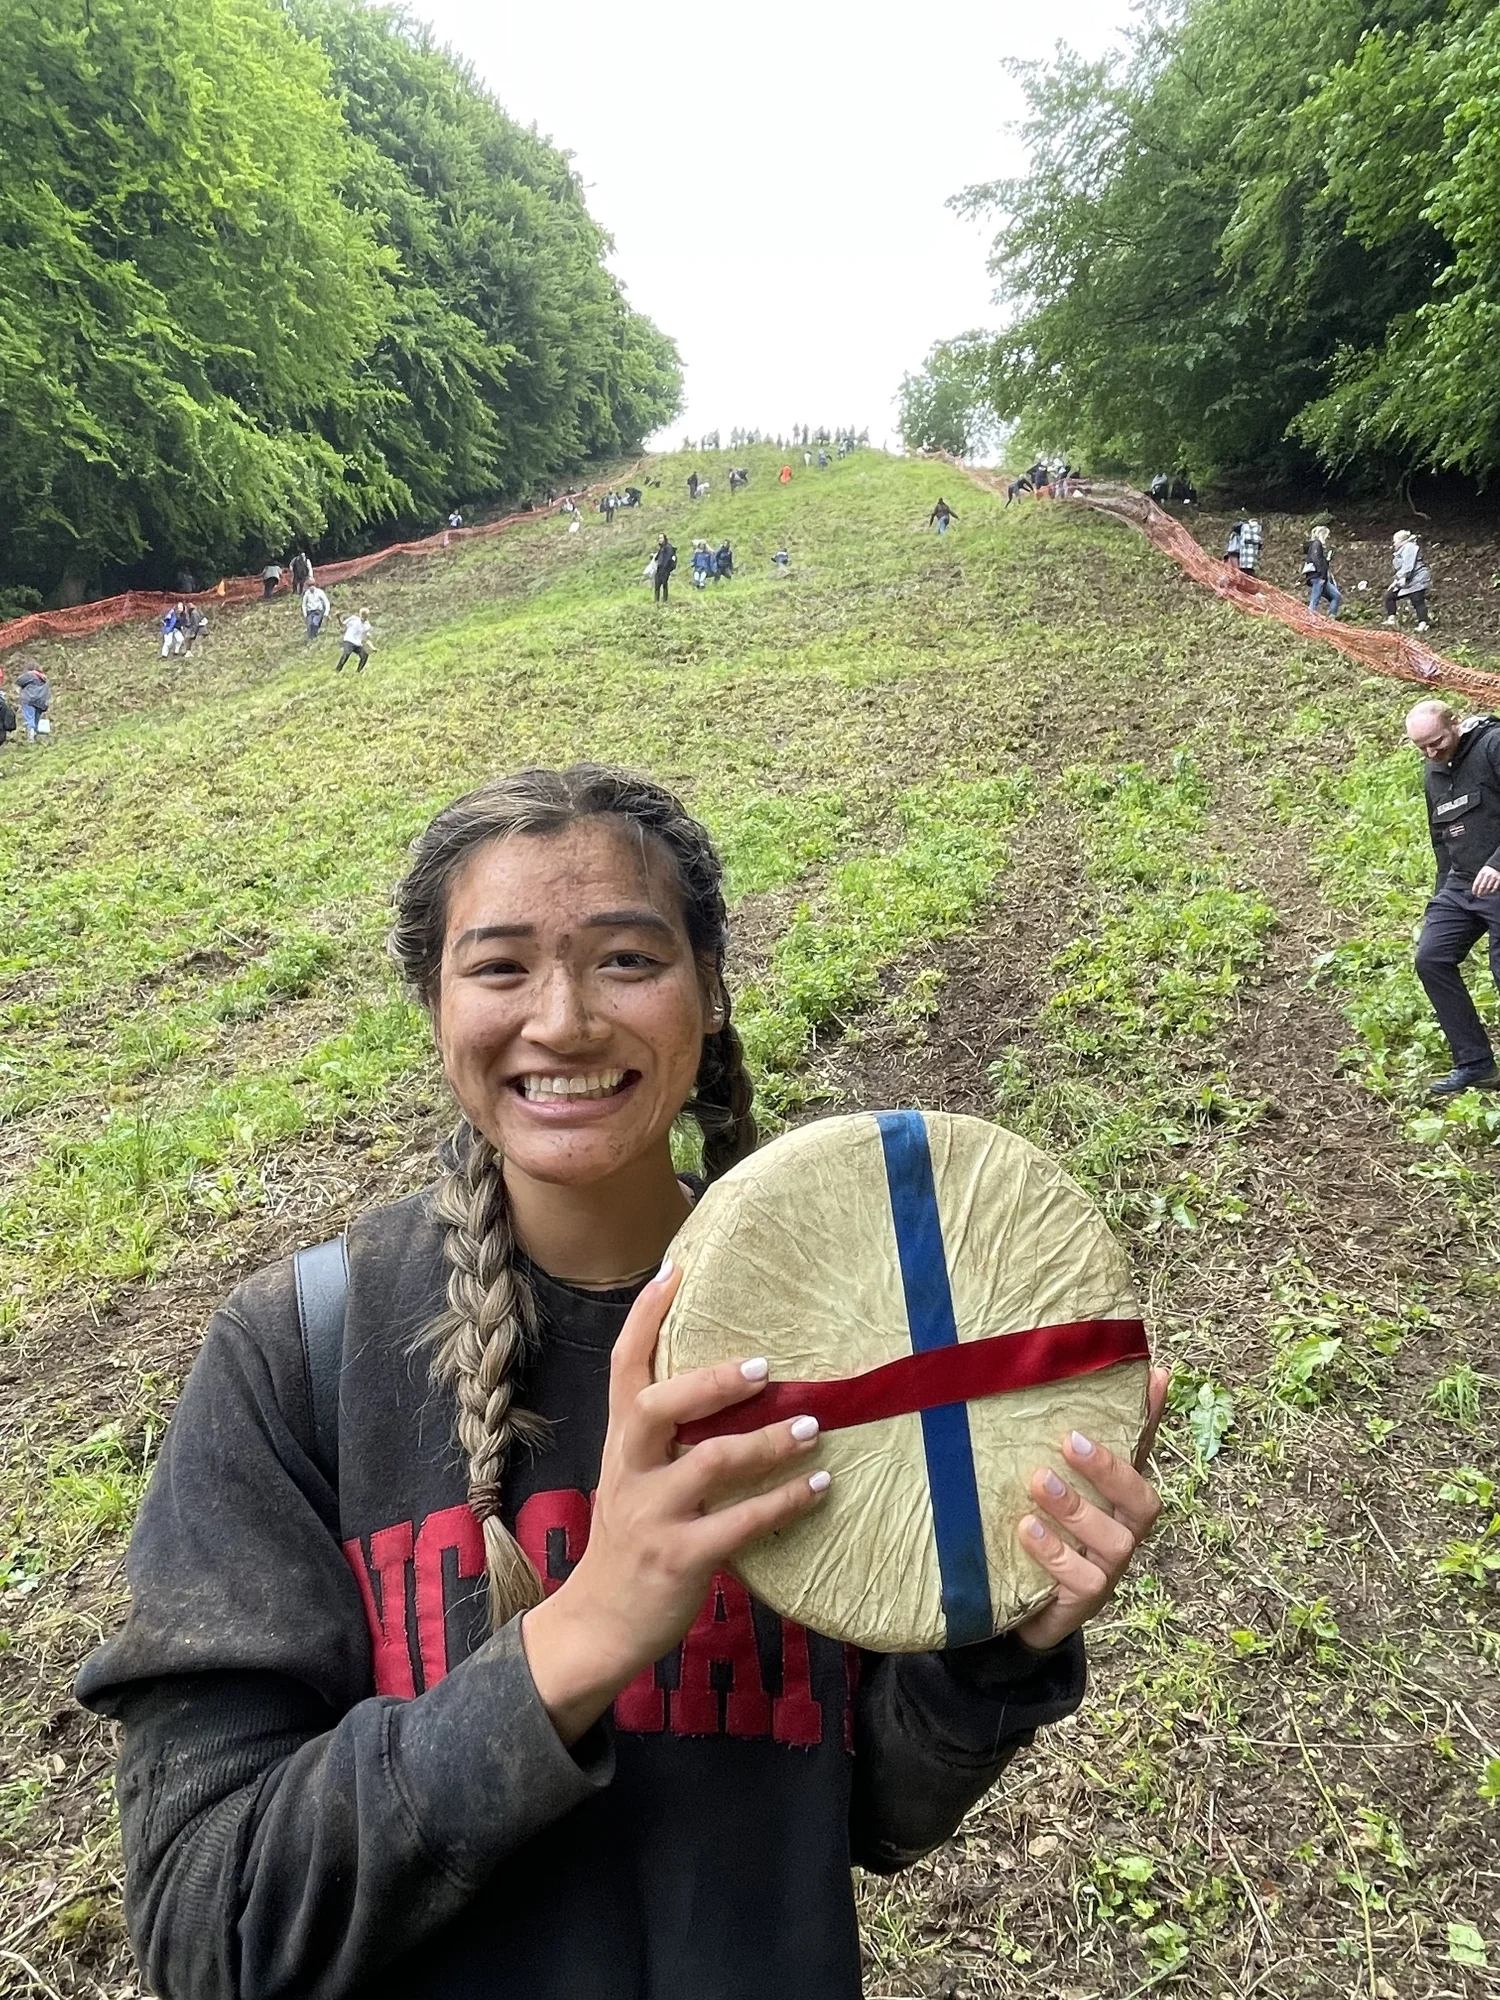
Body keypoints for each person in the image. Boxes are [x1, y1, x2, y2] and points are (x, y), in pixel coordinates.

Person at [75, 764, 1167, 2000]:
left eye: (627, 960)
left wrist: (994, 1648)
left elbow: (871, 1816)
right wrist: (582, 1633)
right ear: (433, 1006)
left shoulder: (854, 1340)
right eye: (498, 967)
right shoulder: (296, 1354)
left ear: (708, 993)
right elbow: (207, 1928)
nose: (564, 1019)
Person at [1407, 701, 1500, 1094]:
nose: (1432, 753)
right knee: (1431, 958)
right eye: (1422, 747)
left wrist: (1498, 863)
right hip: (1462, 885)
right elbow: (1441, 840)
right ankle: (1476, 1063)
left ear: (1455, 724)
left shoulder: (1492, 745)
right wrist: (1441, 893)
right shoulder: (1433, 772)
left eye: (1437, 742)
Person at [1385, 531, 1431, 632]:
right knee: (1389, 596)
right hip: (1406, 579)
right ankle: (1391, 619)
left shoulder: (1409, 547)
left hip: (1417, 578)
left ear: (1401, 540)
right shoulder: (1402, 549)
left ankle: (1423, 624)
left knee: (1417, 600)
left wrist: (1403, 578)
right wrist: (1396, 581)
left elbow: (1408, 564)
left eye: (1395, 541)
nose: (1393, 543)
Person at [1303, 526, 1341, 618]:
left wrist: (1327, 559)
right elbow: (1316, 560)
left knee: (1336, 596)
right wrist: (1322, 576)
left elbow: (1321, 562)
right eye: (1326, 535)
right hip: (1317, 576)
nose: (1328, 538)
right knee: (1315, 598)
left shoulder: (1318, 546)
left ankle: (1332, 617)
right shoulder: (1316, 544)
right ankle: (1309, 617)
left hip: (1320, 576)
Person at [15, 663, 51, 741]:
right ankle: (36, 736)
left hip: (29, 700)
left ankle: (31, 736)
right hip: (41, 701)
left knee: (29, 718)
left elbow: (18, 681)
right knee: (37, 720)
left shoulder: (31, 674)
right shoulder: (44, 678)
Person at [337, 607, 373, 673]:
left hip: (358, 644)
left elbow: (366, 639)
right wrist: (338, 618)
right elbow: (342, 625)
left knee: (364, 655)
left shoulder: (367, 625)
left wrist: (372, 647)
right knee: (347, 653)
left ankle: (358, 672)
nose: (364, 616)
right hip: (348, 641)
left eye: (365, 614)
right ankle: (337, 670)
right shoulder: (353, 619)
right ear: (360, 614)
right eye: (363, 614)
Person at [652, 535, 676, 604]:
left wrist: (665, 567)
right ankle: (656, 600)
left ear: (665, 538)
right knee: (657, 585)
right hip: (659, 569)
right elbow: (657, 558)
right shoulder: (661, 548)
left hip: (665, 569)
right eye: (659, 538)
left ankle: (665, 600)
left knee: (664, 584)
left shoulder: (668, 547)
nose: (660, 539)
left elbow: (668, 558)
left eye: (661, 538)